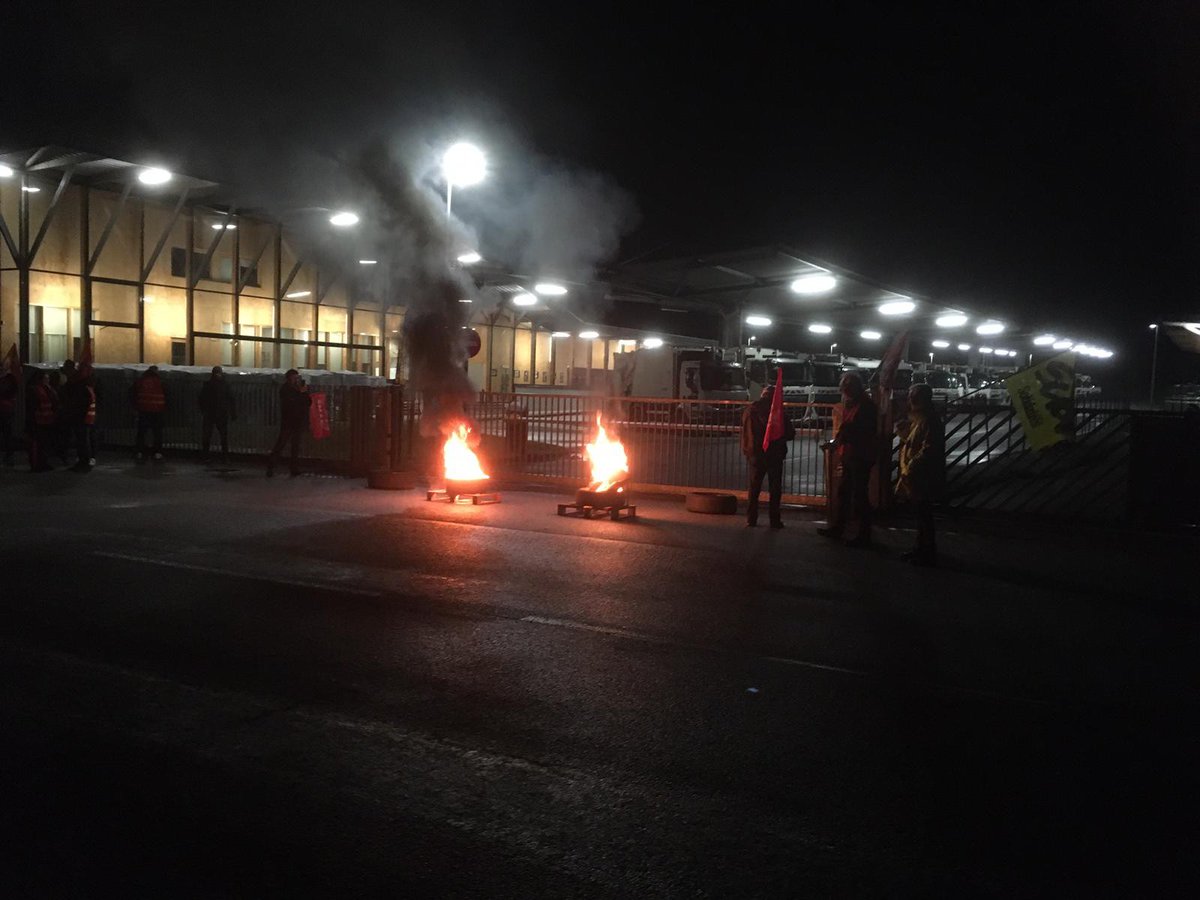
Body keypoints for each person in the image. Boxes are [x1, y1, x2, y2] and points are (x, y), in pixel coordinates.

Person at [818, 372, 878, 547]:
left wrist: (841, 439)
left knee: (859, 496)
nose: (844, 392)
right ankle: (839, 528)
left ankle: (863, 535)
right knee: (844, 493)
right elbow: (846, 429)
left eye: (847, 388)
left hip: (861, 455)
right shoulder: (853, 404)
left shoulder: (865, 406)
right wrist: (837, 443)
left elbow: (858, 430)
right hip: (851, 455)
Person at [896, 383, 945, 566]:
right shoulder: (921, 418)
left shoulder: (928, 420)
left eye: (913, 396)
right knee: (920, 514)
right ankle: (921, 548)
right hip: (917, 474)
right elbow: (915, 442)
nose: (909, 399)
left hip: (923, 475)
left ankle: (927, 551)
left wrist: (911, 466)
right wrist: (903, 433)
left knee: (924, 515)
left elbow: (928, 449)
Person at [740, 384, 794, 528]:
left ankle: (751, 519)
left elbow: (745, 431)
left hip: (755, 454)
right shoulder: (778, 412)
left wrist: (747, 449)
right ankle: (774, 520)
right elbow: (790, 433)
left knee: (754, 487)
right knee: (775, 488)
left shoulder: (750, 410)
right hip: (774, 454)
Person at [267, 369, 311, 478]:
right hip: (288, 421)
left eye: (297, 378)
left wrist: (304, 392)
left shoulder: (297, 389)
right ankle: (271, 466)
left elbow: (308, 402)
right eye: (294, 378)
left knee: (295, 446)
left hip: (297, 421)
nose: (296, 380)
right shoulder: (285, 389)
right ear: (289, 378)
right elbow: (291, 402)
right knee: (281, 444)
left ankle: (293, 468)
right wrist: (301, 393)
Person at [61, 368, 98, 472]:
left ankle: (83, 462)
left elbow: (79, 406)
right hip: (88, 419)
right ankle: (85, 461)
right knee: (85, 441)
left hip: (82, 420)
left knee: (82, 442)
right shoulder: (88, 388)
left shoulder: (82, 389)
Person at [198, 366, 237, 462]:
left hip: (210, 413)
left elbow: (201, 399)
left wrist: (203, 410)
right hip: (221, 413)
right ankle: (224, 456)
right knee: (223, 436)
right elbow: (231, 399)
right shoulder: (225, 385)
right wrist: (233, 413)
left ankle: (206, 455)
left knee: (207, 435)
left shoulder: (207, 385)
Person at [130, 365, 167, 460]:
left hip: (143, 409)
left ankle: (140, 451)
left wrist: (135, 408)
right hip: (158, 410)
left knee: (142, 432)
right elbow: (167, 396)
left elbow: (133, 394)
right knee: (157, 433)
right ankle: (157, 452)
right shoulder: (161, 382)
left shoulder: (140, 381)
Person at [26, 370, 58, 472]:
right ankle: (36, 465)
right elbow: (32, 407)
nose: (47, 380)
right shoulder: (34, 390)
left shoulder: (48, 389)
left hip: (47, 421)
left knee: (44, 444)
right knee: (37, 444)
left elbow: (55, 402)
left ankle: (43, 463)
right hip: (37, 422)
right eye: (45, 378)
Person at [0, 367, 17, 466]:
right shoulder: (10, 381)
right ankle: (9, 456)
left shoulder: (6, 381)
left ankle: (9, 456)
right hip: (7, 409)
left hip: (4, 409)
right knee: (7, 434)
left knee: (7, 434)